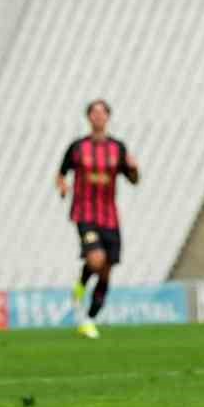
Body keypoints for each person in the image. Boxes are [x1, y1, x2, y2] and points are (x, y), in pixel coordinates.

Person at [57, 100, 139, 340]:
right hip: (85, 213)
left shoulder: (118, 148)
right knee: (95, 259)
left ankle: (89, 319)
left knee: (105, 271)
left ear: (108, 117)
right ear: (89, 118)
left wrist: (134, 169)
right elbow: (61, 173)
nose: (98, 117)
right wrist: (62, 186)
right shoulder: (77, 147)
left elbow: (133, 179)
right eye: (94, 113)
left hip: (110, 217)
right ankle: (81, 286)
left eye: (102, 113)